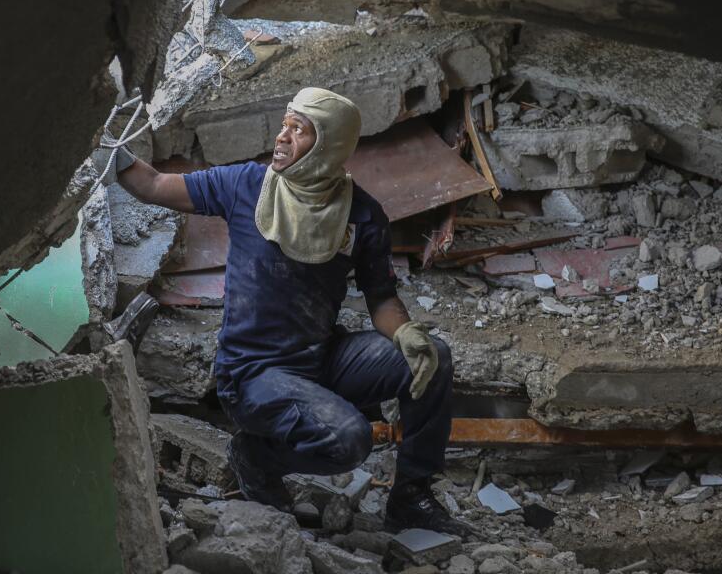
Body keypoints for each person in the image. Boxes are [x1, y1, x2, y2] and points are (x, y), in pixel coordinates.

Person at [109, 86, 469, 536]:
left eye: (299, 130)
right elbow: (153, 185)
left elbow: (381, 299)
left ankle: (411, 497)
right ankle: (257, 458)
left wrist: (406, 334)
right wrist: (105, 146)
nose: (282, 137)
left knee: (432, 358)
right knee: (350, 437)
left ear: (332, 144)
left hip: (319, 360)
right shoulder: (246, 185)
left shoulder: (361, 214)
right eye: (285, 124)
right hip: (253, 375)